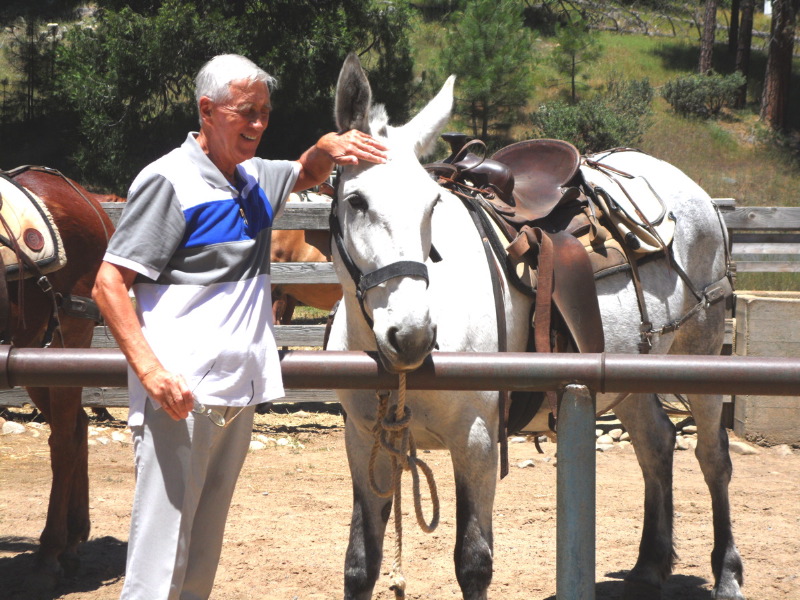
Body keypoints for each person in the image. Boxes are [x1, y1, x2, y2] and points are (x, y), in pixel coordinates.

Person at [92, 53, 387, 600]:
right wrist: (152, 373)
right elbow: (109, 283)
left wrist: (324, 148)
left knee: (201, 554)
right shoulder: (168, 181)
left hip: (235, 394)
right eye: (246, 113)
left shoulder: (252, 180)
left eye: (265, 115)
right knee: (160, 563)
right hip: (178, 395)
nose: (257, 125)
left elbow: (304, 173)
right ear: (207, 110)